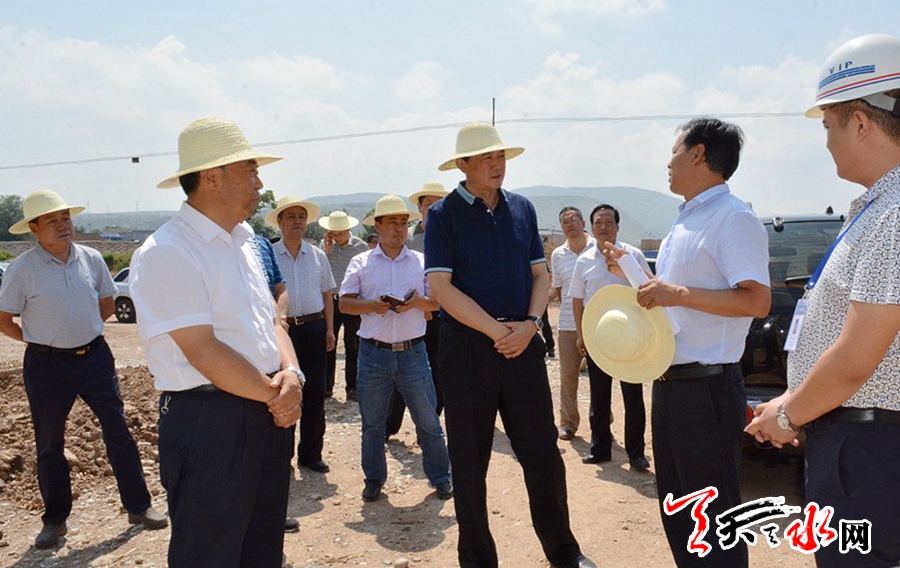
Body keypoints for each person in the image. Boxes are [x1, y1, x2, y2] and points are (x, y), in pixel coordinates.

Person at [746, 34, 900, 567]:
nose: (827, 141)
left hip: (868, 447)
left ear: (861, 122)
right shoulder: (879, 208)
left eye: (829, 125)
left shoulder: (893, 214)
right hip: (859, 435)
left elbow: (857, 360)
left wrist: (788, 415)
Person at [130, 117, 303, 568]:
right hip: (210, 421)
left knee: (261, 546)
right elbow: (203, 350)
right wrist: (277, 396)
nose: (260, 183)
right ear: (211, 177)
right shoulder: (169, 251)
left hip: (265, 407)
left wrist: (292, 375)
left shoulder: (245, 242)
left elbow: (272, 322)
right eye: (250, 171)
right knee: (209, 553)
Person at [426, 122, 595, 568]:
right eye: (484, 158)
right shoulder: (443, 215)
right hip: (468, 350)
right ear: (462, 165)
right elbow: (441, 288)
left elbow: (540, 275)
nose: (496, 164)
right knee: (469, 460)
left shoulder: (522, 208)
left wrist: (528, 324)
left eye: (499, 156)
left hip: (523, 346)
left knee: (543, 454)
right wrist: (497, 330)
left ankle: (564, 551)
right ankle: (478, 559)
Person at [607, 117, 770, 567]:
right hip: (673, 385)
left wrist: (674, 293)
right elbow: (674, 300)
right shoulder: (689, 219)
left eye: (675, 150)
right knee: (681, 513)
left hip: (708, 389)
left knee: (713, 519)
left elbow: (756, 300)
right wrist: (635, 273)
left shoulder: (732, 217)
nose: (668, 161)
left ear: (698, 154)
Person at [0, 190, 167, 550]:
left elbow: (107, 302)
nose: (63, 226)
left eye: (66, 219)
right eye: (52, 221)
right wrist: (37, 339)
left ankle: (139, 506)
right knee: (49, 443)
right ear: (34, 228)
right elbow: (3, 319)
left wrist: (85, 330)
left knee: (119, 430)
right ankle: (55, 520)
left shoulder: (91, 258)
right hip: (46, 365)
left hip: (94, 358)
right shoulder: (21, 270)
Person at [339, 194, 452, 502]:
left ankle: (441, 477)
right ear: (377, 225)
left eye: (404, 223)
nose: (399, 229)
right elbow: (345, 303)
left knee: (428, 420)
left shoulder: (420, 262)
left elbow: (437, 302)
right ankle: (374, 479)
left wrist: (417, 302)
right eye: (392, 222)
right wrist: (371, 306)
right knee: (373, 424)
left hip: (414, 352)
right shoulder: (361, 262)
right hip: (373, 354)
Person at [570, 204, 650, 472]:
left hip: (632, 340)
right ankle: (600, 448)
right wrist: (580, 334)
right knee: (599, 396)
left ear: (617, 226)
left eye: (608, 222)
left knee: (633, 397)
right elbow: (578, 300)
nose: (603, 227)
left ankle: (636, 453)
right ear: (591, 227)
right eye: (598, 222)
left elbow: (648, 289)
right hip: (598, 339)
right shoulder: (584, 261)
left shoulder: (633, 255)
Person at [267, 195, 336, 474]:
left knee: (315, 394)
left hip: (314, 329)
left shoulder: (318, 255)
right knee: (284, 392)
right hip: (282, 334)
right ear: (280, 222)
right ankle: (282, 457)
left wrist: (330, 329)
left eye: (301, 217)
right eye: (291, 217)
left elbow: (327, 295)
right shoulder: (269, 255)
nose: (297, 222)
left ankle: (310, 453)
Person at [384, 182, 449, 440]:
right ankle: (390, 426)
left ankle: (428, 429)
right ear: (419, 207)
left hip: (444, 314)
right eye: (427, 204)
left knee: (440, 373)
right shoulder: (407, 236)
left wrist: (433, 304)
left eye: (437, 203)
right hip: (410, 315)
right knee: (403, 373)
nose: (432, 208)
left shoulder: (451, 234)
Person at [248, 232, 299, 533]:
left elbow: (278, 288)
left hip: (274, 351)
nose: (257, 184)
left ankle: (273, 517)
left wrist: (279, 319)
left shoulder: (259, 244)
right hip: (243, 364)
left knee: (276, 442)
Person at [550, 206, 594, 440]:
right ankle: (568, 423)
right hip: (567, 324)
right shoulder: (558, 255)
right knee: (568, 377)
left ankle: (601, 423)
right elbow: (559, 289)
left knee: (600, 377)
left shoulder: (598, 248)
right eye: (565, 221)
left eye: (573, 219)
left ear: (583, 222)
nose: (570, 224)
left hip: (598, 324)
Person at [319, 210, 369, 400]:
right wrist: (326, 251)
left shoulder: (361, 247)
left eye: (340, 233)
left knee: (353, 345)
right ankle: (326, 386)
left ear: (348, 229)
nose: (337, 237)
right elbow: (319, 270)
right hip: (330, 300)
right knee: (328, 343)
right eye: (334, 233)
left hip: (352, 301)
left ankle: (352, 388)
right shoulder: (324, 247)